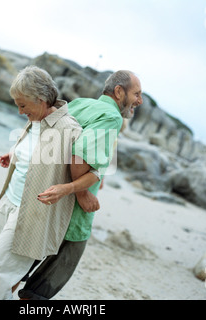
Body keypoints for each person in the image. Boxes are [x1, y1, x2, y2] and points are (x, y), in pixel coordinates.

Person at [0, 65, 100, 300]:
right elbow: (37, 151)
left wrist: (66, 189)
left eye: (23, 105)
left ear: (41, 100)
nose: (20, 112)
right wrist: (14, 153)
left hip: (32, 213)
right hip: (8, 202)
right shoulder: (36, 118)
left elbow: (94, 174)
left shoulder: (69, 129)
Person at [18, 70, 143, 300]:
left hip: (45, 195)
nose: (140, 101)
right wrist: (83, 193)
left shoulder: (80, 104)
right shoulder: (112, 117)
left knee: (18, 268)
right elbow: (80, 156)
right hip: (71, 214)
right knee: (39, 290)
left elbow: (50, 135)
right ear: (118, 91)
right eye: (137, 94)